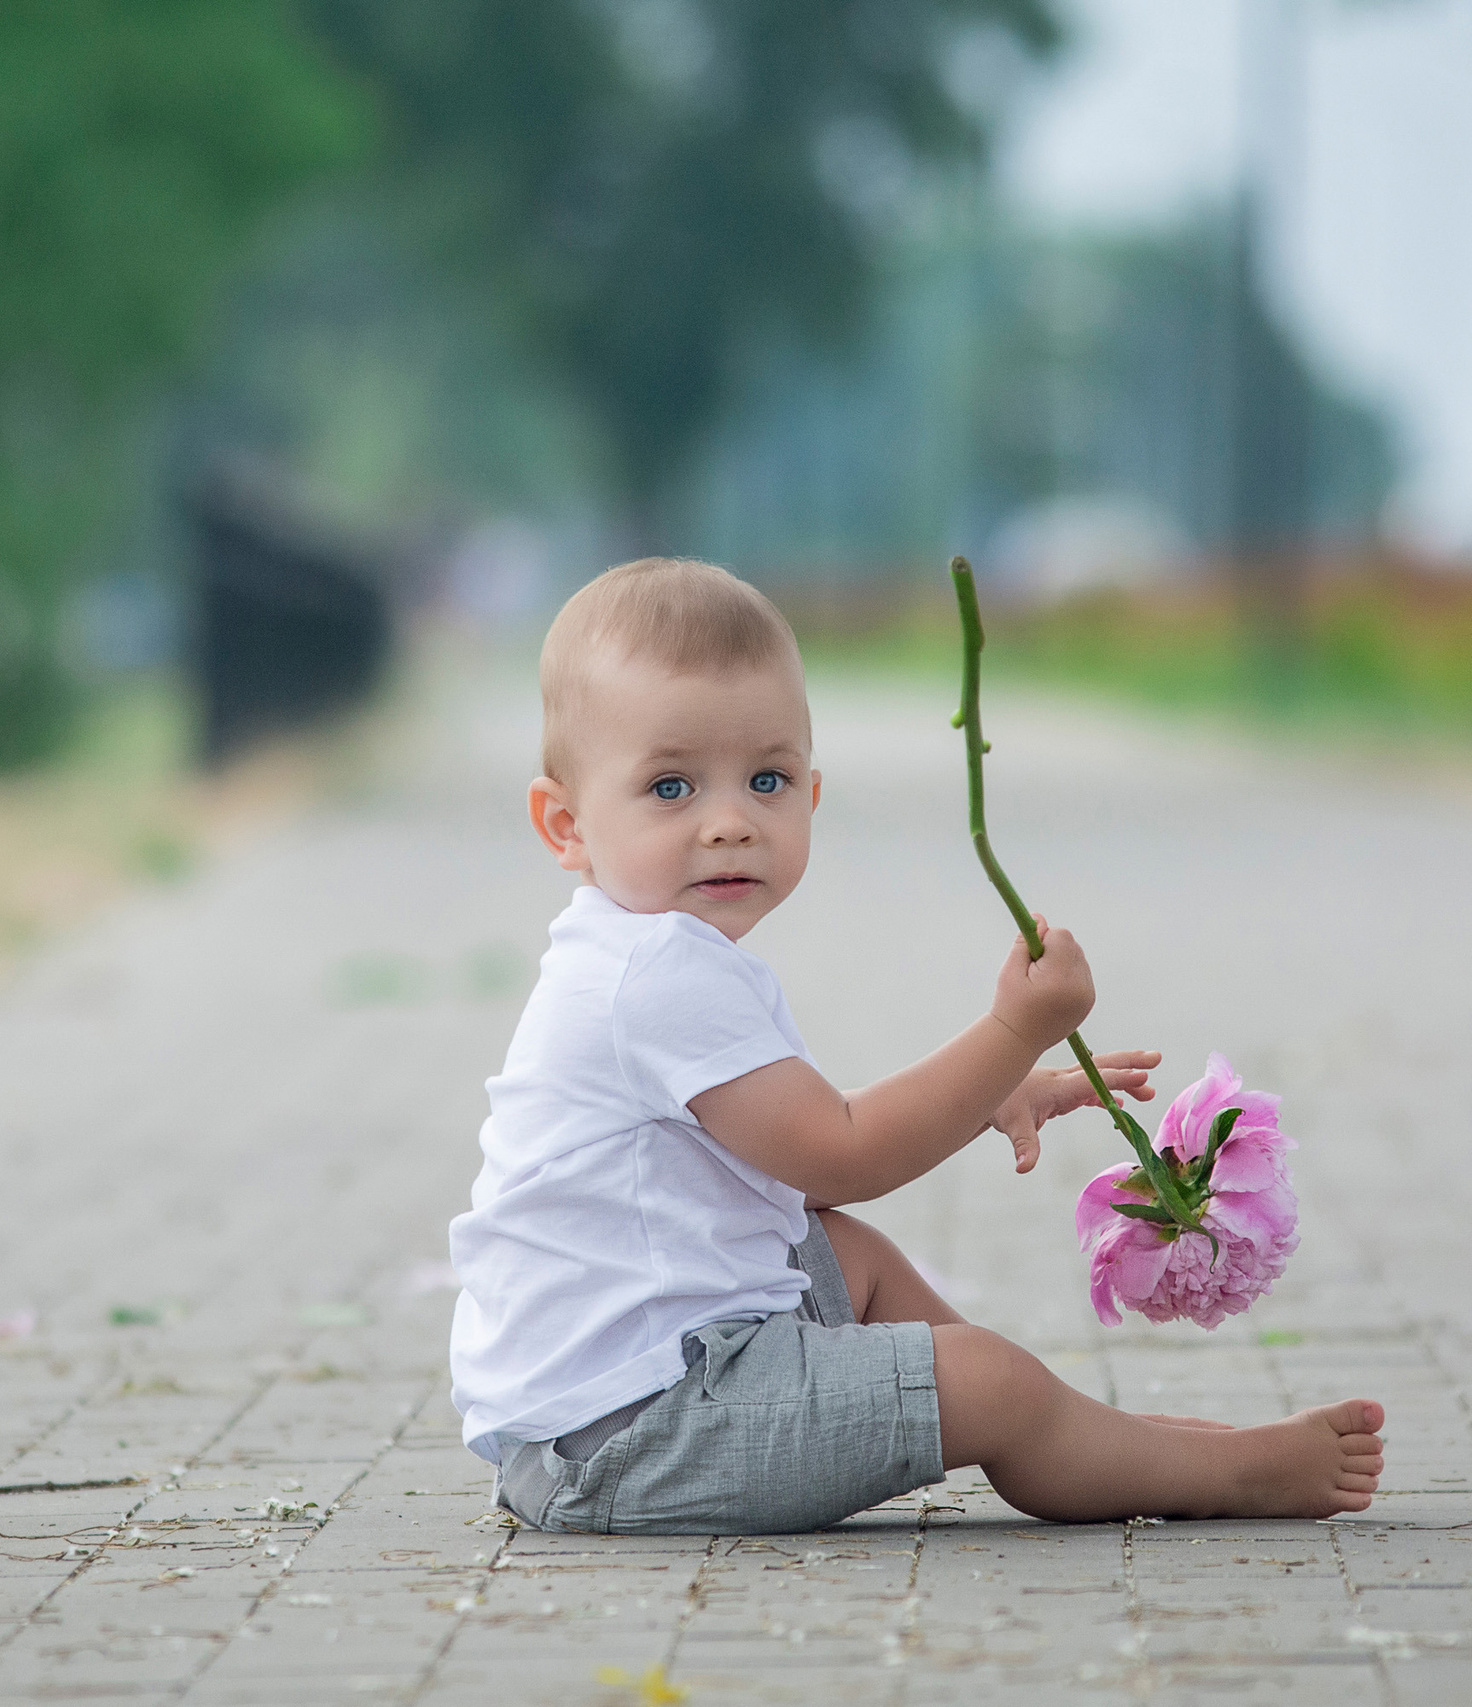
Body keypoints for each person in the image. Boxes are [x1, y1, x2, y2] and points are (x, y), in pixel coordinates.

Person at [450, 557, 1386, 1534]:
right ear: (565, 823)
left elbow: (771, 1171)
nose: (729, 823)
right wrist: (1011, 1032)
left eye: (764, 780)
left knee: (846, 1260)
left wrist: (989, 1094)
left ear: (810, 794)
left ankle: (1080, 1433)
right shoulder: (657, 974)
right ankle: (1159, 1459)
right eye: (671, 786)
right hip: (635, 1432)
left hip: (606, 1408)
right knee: (985, 1379)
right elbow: (842, 1150)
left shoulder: (636, 954)